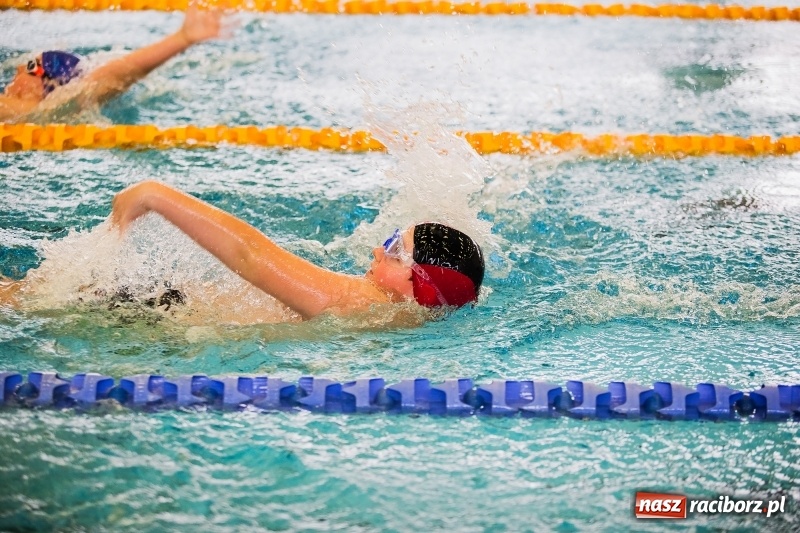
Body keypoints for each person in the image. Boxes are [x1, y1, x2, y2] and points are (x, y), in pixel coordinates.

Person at [1, 181, 486, 320]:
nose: (378, 250)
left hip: (154, 314)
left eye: (395, 248)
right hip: (167, 312)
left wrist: (157, 196)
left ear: (419, 284)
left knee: (20, 297)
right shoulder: (389, 317)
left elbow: (252, 257)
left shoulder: (355, 302)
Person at [0, 6, 224, 122]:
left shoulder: (42, 110)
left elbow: (107, 79)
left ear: (52, 85)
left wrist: (181, 39)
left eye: (32, 67)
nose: (19, 71)